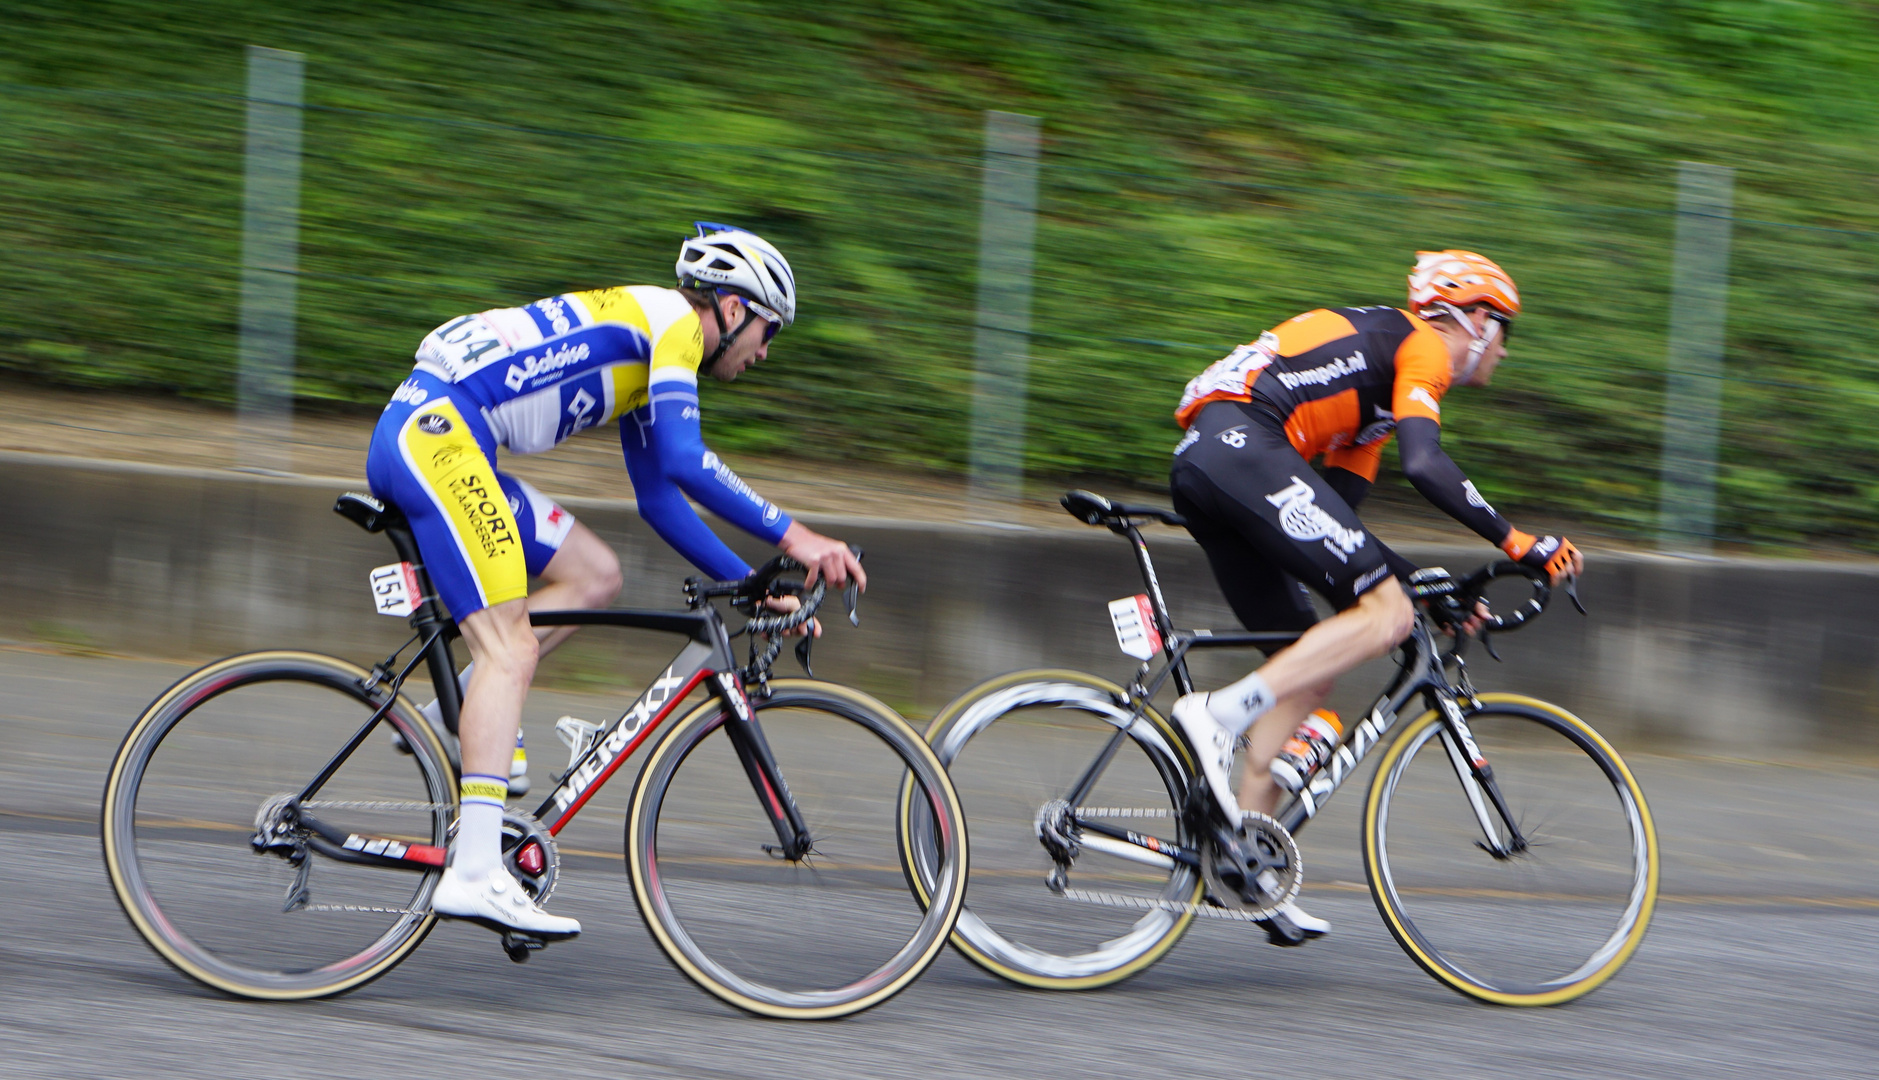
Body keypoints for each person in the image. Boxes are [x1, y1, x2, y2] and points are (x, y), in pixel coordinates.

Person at [364, 223, 865, 939]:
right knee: (512, 649)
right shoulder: (672, 326)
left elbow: (660, 497)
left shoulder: (650, 341)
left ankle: (470, 706)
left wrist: (750, 582)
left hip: (440, 434)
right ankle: (474, 871)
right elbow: (689, 460)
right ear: (729, 308)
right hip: (438, 437)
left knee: (594, 573)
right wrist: (797, 536)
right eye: (766, 330)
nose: (764, 351)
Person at [1165, 250, 1582, 943]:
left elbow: (1339, 524)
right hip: (1242, 445)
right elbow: (1427, 463)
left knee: (1305, 672)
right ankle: (1214, 716)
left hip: (1216, 461)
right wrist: (1519, 543)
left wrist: (1427, 587)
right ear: (1473, 319)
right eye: (1503, 331)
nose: (1503, 351)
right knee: (1383, 613)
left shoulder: (1373, 406)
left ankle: (1241, 864)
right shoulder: (1421, 346)